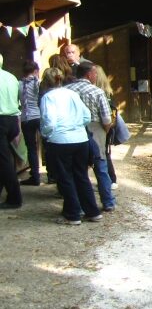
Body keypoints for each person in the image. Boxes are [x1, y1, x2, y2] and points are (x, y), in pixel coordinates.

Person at [40, 67, 103, 225]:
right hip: (80, 139)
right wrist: (77, 126)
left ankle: (73, 214)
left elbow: (49, 121)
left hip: (60, 140)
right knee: (81, 176)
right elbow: (86, 115)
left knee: (65, 178)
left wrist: (46, 133)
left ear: (46, 81)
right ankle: (92, 211)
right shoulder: (72, 93)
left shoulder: (48, 97)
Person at [66, 61, 116, 212]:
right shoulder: (97, 92)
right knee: (101, 167)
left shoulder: (67, 90)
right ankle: (108, 201)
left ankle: (79, 205)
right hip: (96, 128)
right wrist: (105, 131)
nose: (96, 76)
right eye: (95, 73)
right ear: (89, 74)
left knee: (78, 169)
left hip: (73, 130)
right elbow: (106, 118)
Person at [0, 53, 22, 210]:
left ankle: (15, 198)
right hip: (12, 120)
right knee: (3, 158)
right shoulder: (12, 77)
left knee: (4, 160)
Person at [93, 66, 118, 189]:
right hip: (108, 126)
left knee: (102, 154)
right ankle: (110, 180)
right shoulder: (108, 93)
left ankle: (109, 180)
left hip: (101, 126)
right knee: (105, 153)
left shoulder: (99, 93)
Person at [18, 60, 41, 186]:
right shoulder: (39, 83)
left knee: (31, 148)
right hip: (39, 116)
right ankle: (52, 175)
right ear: (36, 71)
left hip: (26, 118)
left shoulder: (19, 84)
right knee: (48, 145)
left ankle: (35, 177)